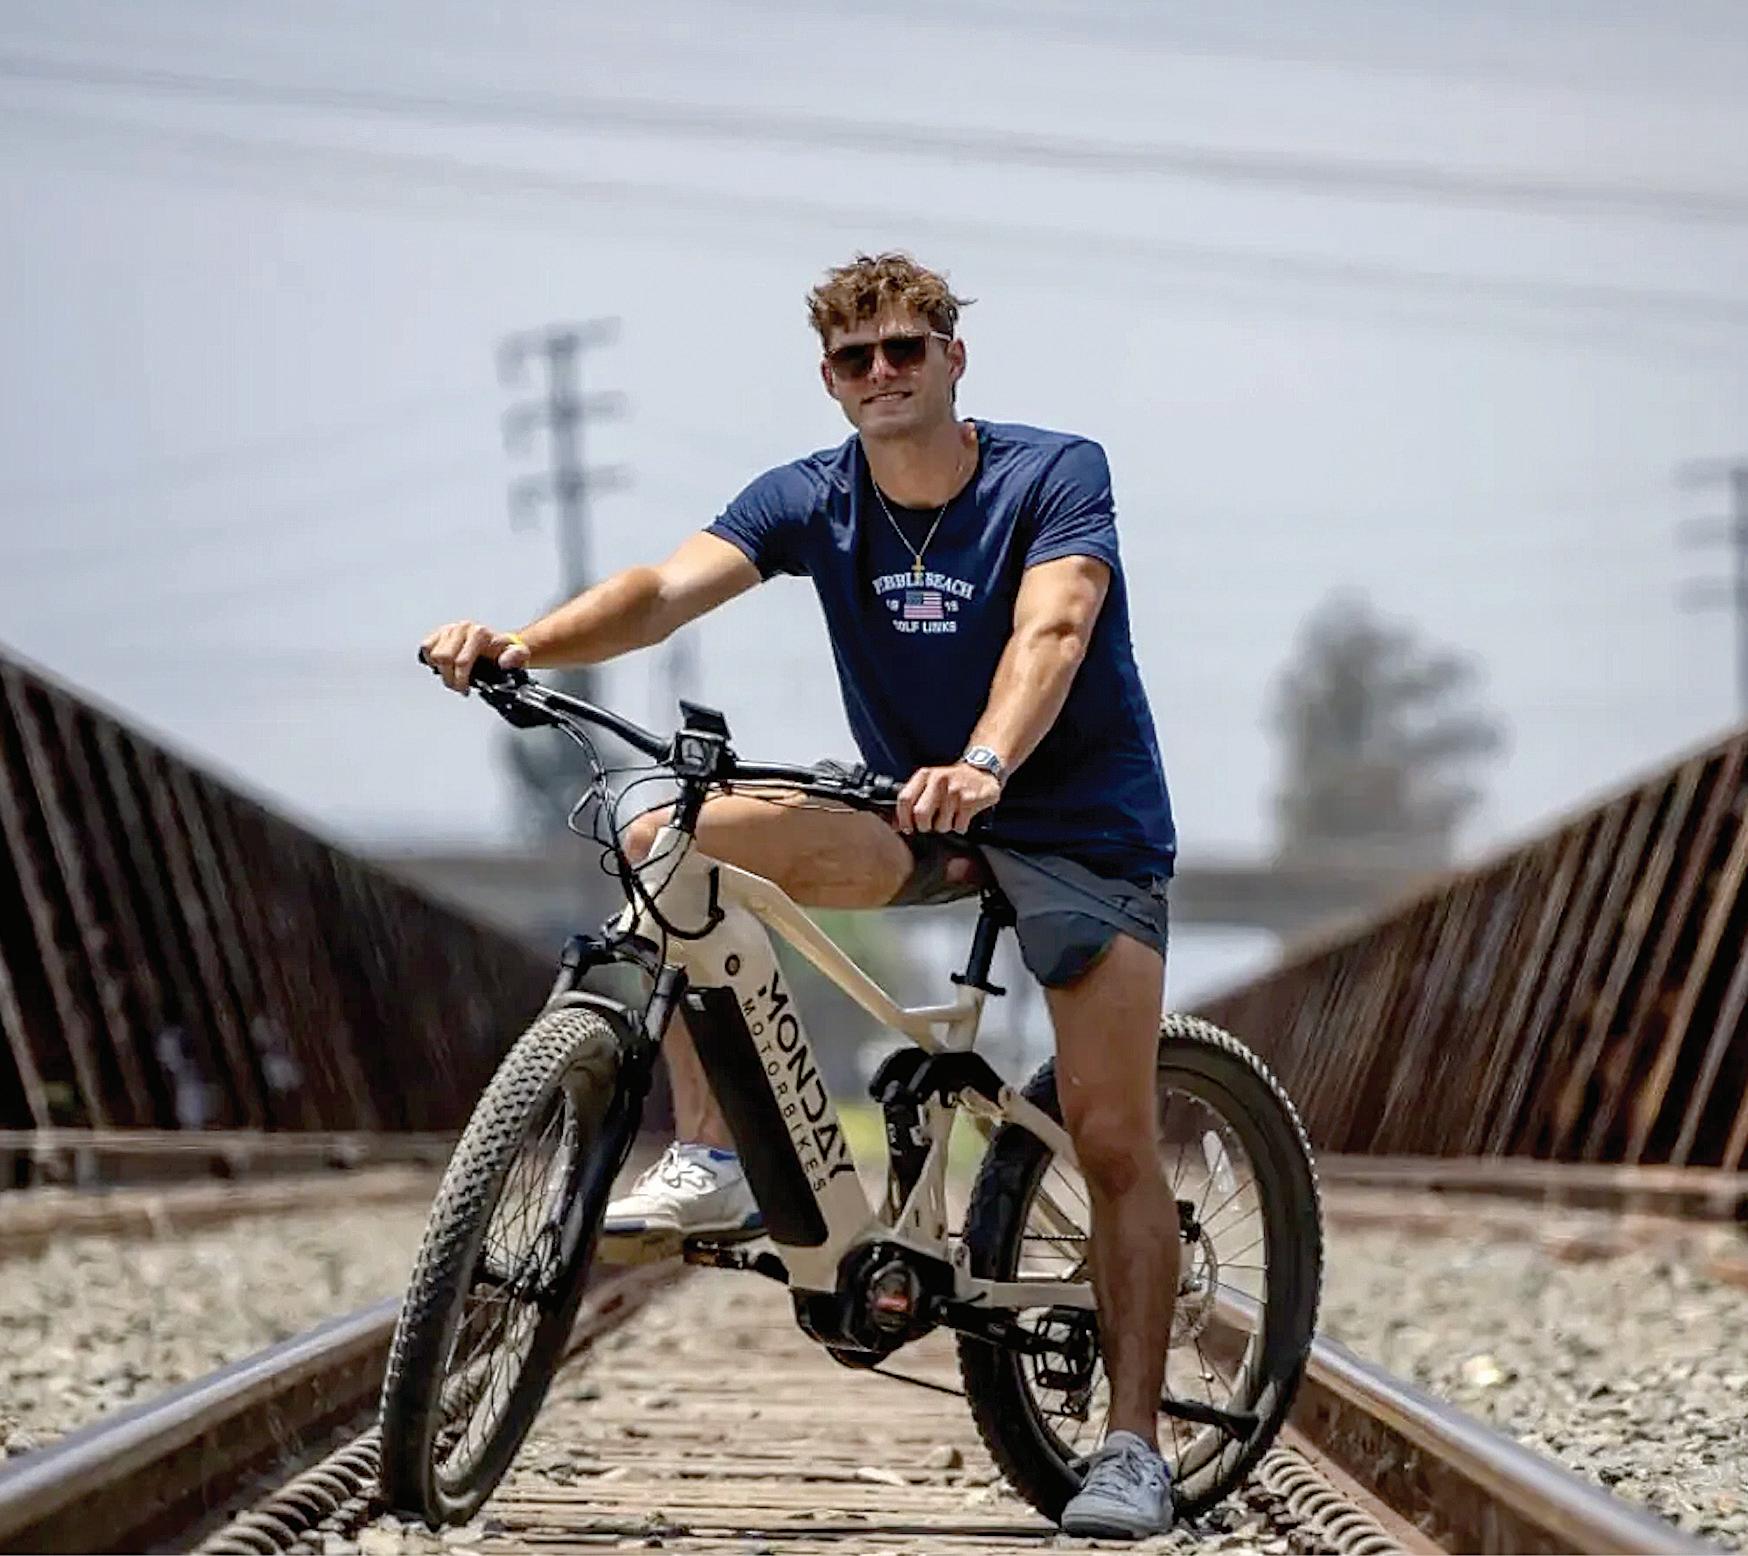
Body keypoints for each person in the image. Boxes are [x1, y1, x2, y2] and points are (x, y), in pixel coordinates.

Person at [420, 252, 1180, 1539]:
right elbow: (662, 591)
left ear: (951, 358)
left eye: (903, 349)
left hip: (1076, 825)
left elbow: (1053, 629)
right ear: (828, 381)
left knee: (1110, 1136)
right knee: (672, 833)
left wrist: (986, 760)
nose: (880, 373)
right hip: (914, 809)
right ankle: (714, 1151)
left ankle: (1131, 1446)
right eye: (853, 358)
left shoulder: (1053, 473)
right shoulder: (810, 499)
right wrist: (523, 642)